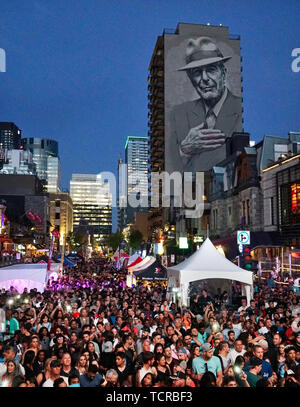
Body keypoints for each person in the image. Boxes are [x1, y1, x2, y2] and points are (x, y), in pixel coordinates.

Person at [168, 36, 242, 173]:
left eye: (211, 70)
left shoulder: (238, 108)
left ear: (223, 73)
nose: (204, 78)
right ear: (191, 80)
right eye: (197, 72)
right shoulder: (179, 113)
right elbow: (172, 167)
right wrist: (184, 150)